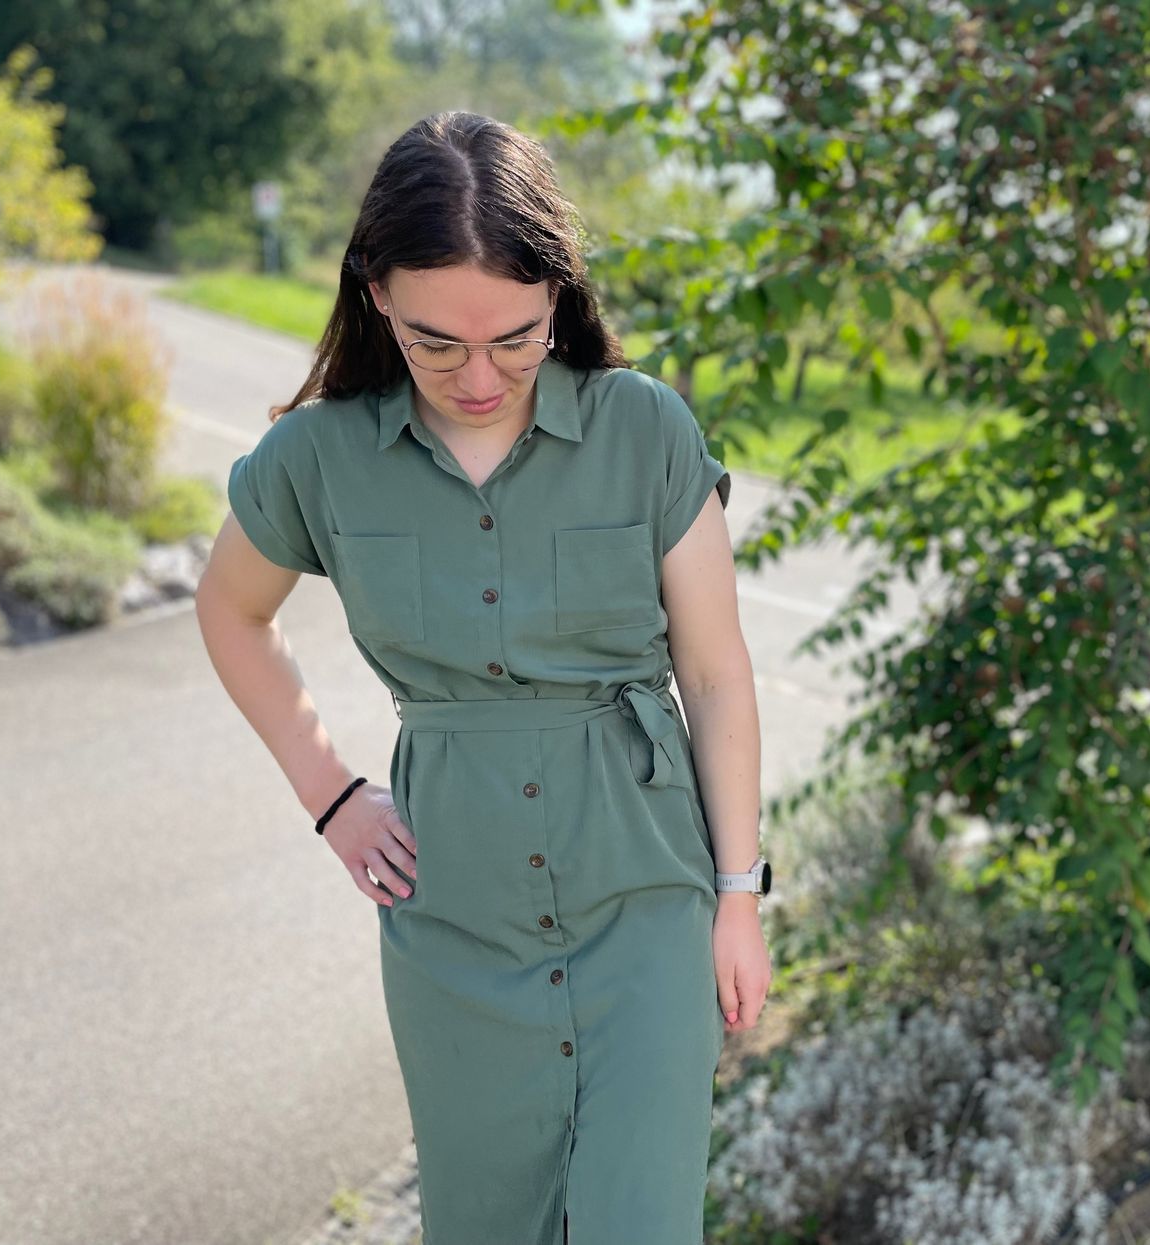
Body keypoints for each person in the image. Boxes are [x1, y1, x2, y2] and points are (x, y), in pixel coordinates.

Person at [194, 110, 773, 1244]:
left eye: (513, 338)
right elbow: (231, 612)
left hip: (647, 897)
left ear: (557, 292)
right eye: (435, 342)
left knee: (638, 1225)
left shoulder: (644, 429)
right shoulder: (316, 459)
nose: (476, 375)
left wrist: (739, 896)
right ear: (375, 296)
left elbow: (714, 674)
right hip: (453, 918)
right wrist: (330, 793)